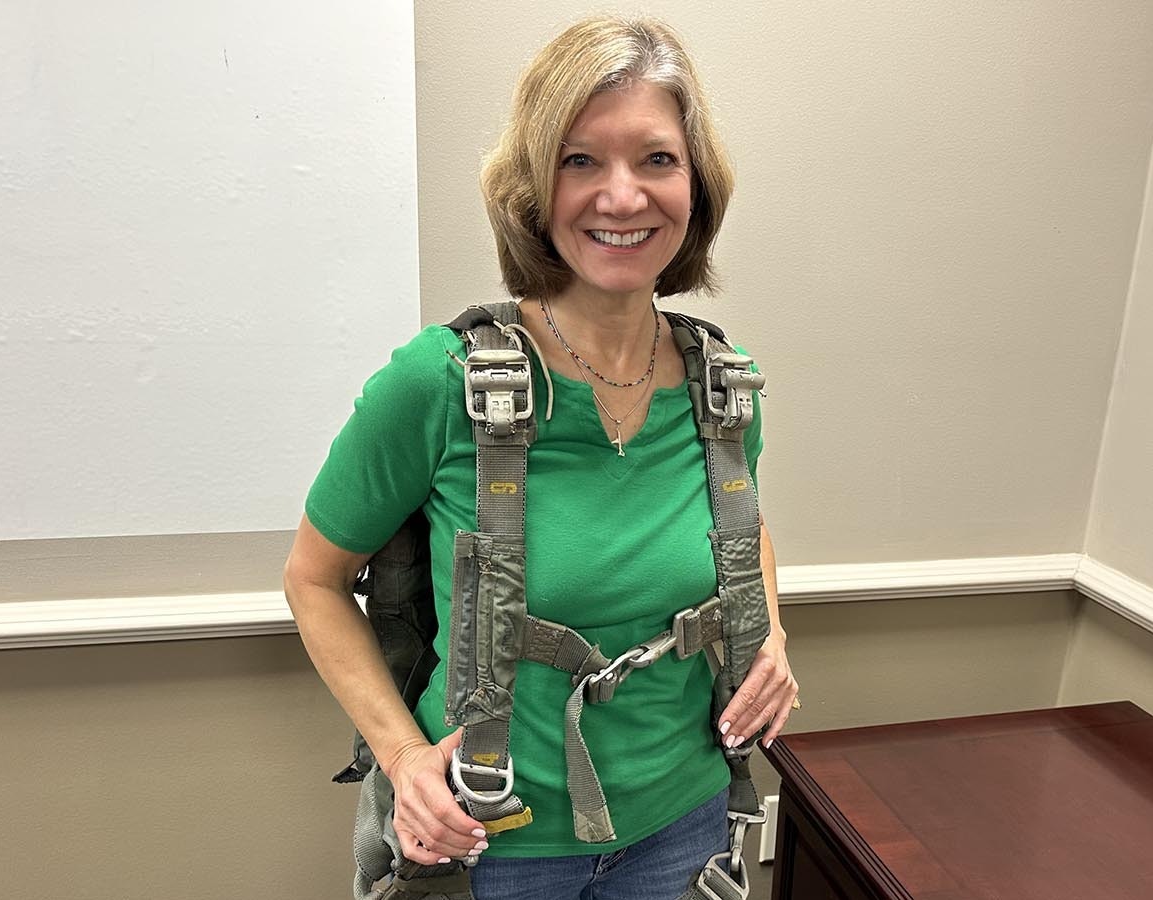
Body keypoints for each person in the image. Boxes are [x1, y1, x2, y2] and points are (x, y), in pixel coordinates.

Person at [283, 15, 797, 900]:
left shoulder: (726, 390)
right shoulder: (437, 384)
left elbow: (739, 536)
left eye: (657, 159)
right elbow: (312, 579)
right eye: (579, 160)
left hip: (689, 826)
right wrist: (405, 756)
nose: (623, 196)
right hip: (492, 847)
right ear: (532, 187)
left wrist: (772, 634)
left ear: (697, 183)